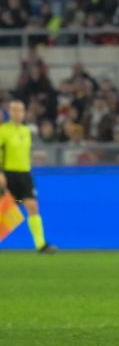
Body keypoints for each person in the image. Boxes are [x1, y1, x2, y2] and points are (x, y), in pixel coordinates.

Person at [0, 100, 56, 253]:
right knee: (7, 210)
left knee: (32, 206)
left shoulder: (26, 131)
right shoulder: (3, 131)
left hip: (24, 175)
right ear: (9, 112)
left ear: (24, 113)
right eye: (14, 110)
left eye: (20, 110)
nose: (17, 113)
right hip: (8, 175)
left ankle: (40, 244)